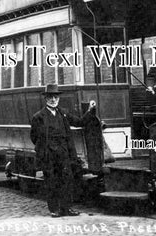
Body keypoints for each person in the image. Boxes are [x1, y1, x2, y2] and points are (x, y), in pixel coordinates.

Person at [30, 84, 97, 217]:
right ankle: (54, 209)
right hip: (49, 155)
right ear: (46, 99)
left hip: (64, 153)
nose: (53, 100)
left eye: (55, 97)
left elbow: (79, 122)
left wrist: (90, 111)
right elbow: (34, 137)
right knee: (51, 182)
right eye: (50, 97)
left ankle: (67, 208)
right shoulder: (39, 117)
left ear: (58, 98)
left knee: (66, 180)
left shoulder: (63, 113)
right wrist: (45, 150)